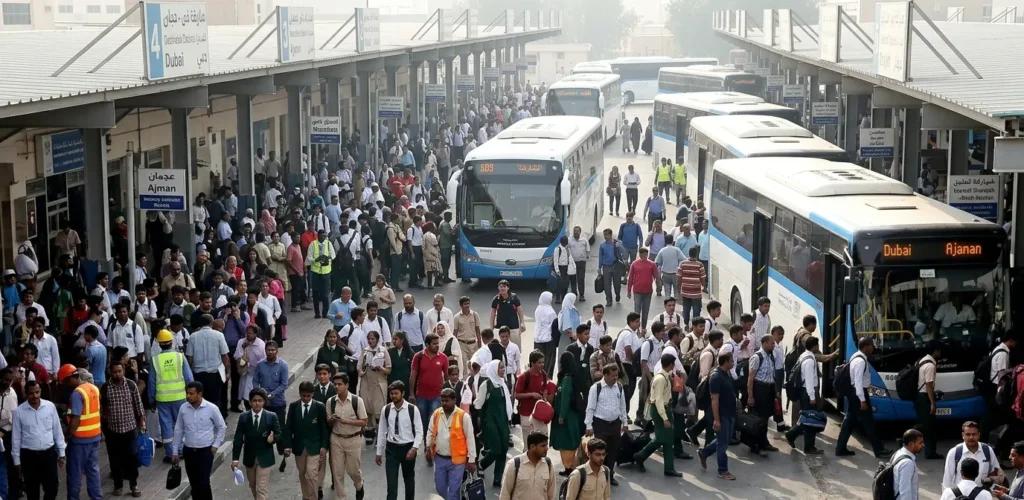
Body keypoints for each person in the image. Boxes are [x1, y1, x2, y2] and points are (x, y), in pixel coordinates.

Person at [836, 336, 892, 458]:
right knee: (869, 423)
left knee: (849, 422)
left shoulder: (855, 356)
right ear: (866, 347)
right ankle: (879, 450)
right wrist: (862, 400)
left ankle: (840, 448)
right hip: (858, 394)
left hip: (854, 393)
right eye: (871, 345)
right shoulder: (861, 361)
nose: (873, 348)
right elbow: (858, 383)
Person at [12, 380, 65, 500]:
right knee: (32, 491)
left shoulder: (50, 407)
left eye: (37, 392)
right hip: (29, 457)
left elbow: (57, 431)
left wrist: (61, 453)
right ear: (26, 394)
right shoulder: (19, 412)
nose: (35, 396)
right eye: (31, 393)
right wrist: (17, 461)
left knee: (52, 488)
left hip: (48, 454)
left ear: (40, 391)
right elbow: (16, 438)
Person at [632, 354, 681, 477]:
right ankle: (639, 456)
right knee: (661, 438)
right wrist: (664, 418)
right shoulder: (660, 379)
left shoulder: (666, 376)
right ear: (670, 365)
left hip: (665, 409)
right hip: (660, 410)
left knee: (668, 439)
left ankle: (669, 468)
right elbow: (658, 400)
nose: (674, 366)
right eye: (673, 364)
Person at [149, 329, 194, 461]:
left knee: (166, 425)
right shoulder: (180, 356)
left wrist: (151, 399)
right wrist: (191, 394)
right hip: (180, 397)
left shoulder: (155, 360)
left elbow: (152, 382)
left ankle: (170, 454)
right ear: (171, 342)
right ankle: (182, 449)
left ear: (159, 344)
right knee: (181, 423)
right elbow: (189, 378)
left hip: (162, 398)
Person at [59, 364, 103, 500]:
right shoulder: (94, 388)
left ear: (71, 378)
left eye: (66, 382)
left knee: (75, 473)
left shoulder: (77, 393)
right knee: (93, 471)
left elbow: (75, 418)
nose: (66, 385)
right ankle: (96, 497)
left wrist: (67, 436)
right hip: (95, 436)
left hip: (80, 440)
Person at [426, 388, 477, 500]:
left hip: (457, 462)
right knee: (439, 488)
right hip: (439, 459)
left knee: (454, 491)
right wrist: (427, 447)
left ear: (454, 400)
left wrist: (471, 459)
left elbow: (470, 438)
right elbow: (430, 432)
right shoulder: (436, 414)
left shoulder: (463, 416)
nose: (444, 403)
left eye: (447, 400)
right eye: (442, 401)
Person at [375, 381, 423, 500]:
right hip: (392, 449)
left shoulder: (412, 409)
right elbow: (381, 431)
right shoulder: (386, 410)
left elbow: (419, 431)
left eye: (396, 393)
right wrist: (379, 452)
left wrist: (414, 448)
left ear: (403, 393)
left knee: (409, 481)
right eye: (392, 394)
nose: (393, 396)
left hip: (408, 448)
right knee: (391, 485)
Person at [231, 388, 282, 500]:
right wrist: (235, 459)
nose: (257, 403)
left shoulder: (271, 416)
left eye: (260, 400)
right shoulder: (244, 417)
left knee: (261, 488)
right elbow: (238, 439)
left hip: (265, 458)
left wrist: (272, 440)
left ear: (264, 402)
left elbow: (278, 434)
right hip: (250, 458)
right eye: (254, 400)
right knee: (253, 486)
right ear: (250, 402)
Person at [584, 363, 627, 487]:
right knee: (600, 453)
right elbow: (590, 408)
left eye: (616, 375)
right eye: (613, 376)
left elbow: (622, 406)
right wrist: (589, 426)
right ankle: (597, 477)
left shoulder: (619, 387)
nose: (615, 378)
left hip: (615, 425)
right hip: (600, 425)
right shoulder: (596, 388)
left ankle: (609, 475)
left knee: (613, 451)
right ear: (605, 375)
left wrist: (624, 423)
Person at [285, 381, 330, 500]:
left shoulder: (319, 406)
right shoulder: (294, 406)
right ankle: (306, 496)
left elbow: (324, 428)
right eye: (303, 396)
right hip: (299, 447)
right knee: (302, 474)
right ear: (300, 394)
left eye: (308, 396)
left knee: (311, 474)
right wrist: (287, 445)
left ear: (312, 394)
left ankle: (313, 497)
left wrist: (324, 446)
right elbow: (288, 427)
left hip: (315, 446)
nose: (305, 398)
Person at [698, 351, 737, 480]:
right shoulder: (716, 377)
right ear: (725, 362)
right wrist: (717, 420)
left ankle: (704, 453)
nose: (733, 363)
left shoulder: (726, 374)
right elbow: (715, 399)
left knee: (724, 439)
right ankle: (723, 470)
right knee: (723, 444)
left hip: (729, 413)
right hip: (721, 414)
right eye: (731, 361)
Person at [253, 341, 290, 471]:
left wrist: (271, 395)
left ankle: (282, 449)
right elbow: (255, 381)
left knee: (279, 427)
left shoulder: (283, 365)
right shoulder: (259, 365)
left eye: (273, 350)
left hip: (278, 403)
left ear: (277, 351)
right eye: (268, 350)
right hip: (264, 404)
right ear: (265, 351)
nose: (271, 352)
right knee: (263, 428)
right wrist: (259, 395)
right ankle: (265, 451)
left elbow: (284, 384)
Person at [475, 359, 513, 488]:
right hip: (491, 422)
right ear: (493, 369)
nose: (503, 370)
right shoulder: (487, 385)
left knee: (503, 450)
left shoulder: (503, 384)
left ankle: (498, 478)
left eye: (503, 368)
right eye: (500, 368)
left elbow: (507, 404)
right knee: (496, 450)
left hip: (503, 421)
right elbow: (478, 404)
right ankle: (482, 464)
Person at [784, 336, 824, 455]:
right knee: (810, 420)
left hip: (805, 392)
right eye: (817, 345)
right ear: (815, 346)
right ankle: (807, 445)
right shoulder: (810, 361)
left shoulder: (803, 355)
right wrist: (812, 397)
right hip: (807, 392)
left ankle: (793, 436)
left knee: (806, 419)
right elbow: (809, 381)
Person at [186, 314, 230, 416]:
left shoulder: (193, 336)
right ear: (212, 323)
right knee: (215, 400)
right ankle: (216, 421)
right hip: (215, 374)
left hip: (198, 375)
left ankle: (201, 421)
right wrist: (228, 372)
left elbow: (190, 358)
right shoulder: (219, 335)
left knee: (200, 401)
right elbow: (225, 356)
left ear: (201, 323)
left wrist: (189, 375)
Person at [744, 334, 779, 456]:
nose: (773, 345)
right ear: (764, 344)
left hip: (769, 389)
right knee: (758, 419)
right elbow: (750, 378)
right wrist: (750, 396)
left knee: (765, 418)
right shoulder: (757, 357)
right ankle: (755, 445)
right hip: (760, 390)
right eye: (771, 343)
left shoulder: (771, 356)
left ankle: (764, 442)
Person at [497, 432, 556, 500]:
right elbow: (505, 493)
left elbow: (551, 494)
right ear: (532, 447)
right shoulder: (514, 464)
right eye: (543, 446)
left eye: (546, 445)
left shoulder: (548, 465)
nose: (546, 448)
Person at [942, 421, 1000, 490]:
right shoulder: (954, 453)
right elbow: (947, 480)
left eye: (974, 434)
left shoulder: (988, 450)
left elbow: (996, 473)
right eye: (968, 434)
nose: (971, 437)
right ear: (963, 435)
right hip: (961, 495)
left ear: (979, 435)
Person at [551, 351, 583, 475]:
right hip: (573, 415)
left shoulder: (567, 379)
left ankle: (569, 467)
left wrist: (561, 416)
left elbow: (565, 398)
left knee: (567, 442)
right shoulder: (573, 376)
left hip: (567, 416)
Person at [410, 333, 449, 432]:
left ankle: (433, 445)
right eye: (434, 344)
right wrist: (411, 394)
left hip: (437, 396)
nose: (437, 346)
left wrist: (448, 393)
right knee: (423, 423)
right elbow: (413, 376)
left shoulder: (443, 358)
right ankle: (426, 444)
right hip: (421, 396)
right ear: (427, 345)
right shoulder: (418, 357)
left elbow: (447, 376)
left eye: (438, 343)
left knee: (434, 423)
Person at [913, 340, 943, 459]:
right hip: (924, 397)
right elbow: (929, 386)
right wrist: (932, 403)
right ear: (935, 351)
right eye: (939, 351)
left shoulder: (922, 360)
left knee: (925, 424)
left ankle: (929, 451)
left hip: (919, 397)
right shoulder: (930, 365)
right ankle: (930, 452)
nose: (940, 354)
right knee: (929, 426)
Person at [515, 351, 551, 442]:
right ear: (532, 363)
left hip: (539, 414)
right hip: (526, 414)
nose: (542, 364)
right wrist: (531, 395)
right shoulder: (524, 377)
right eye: (539, 362)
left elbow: (545, 389)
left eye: (543, 362)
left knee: (541, 443)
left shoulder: (543, 374)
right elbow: (516, 395)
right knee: (529, 445)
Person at [235, 326, 267, 411]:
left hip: (255, 374)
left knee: (251, 394)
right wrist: (242, 360)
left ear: (256, 334)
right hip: (244, 373)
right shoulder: (241, 342)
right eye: (247, 333)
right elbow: (237, 355)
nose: (247, 335)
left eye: (250, 333)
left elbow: (264, 360)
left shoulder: (261, 345)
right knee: (244, 396)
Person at [306, 230, 336, 319]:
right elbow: (309, 257)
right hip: (315, 272)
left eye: (325, 236)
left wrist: (328, 258)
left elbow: (333, 255)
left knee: (325, 294)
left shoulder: (328, 243)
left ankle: (325, 312)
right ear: (318, 236)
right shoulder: (313, 244)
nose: (324, 238)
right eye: (322, 236)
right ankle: (317, 313)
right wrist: (316, 259)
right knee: (315, 293)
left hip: (326, 272)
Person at [890, 429, 924, 500]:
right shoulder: (907, 463)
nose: (923, 445)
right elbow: (905, 491)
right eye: (920, 443)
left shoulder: (898, 453)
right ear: (911, 445)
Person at [490, 280, 526, 345]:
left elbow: (520, 311)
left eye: (504, 286)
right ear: (498, 288)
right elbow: (492, 314)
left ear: (508, 288)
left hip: (513, 327)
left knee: (515, 347)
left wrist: (522, 323)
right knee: (500, 348)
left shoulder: (514, 297)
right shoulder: (496, 299)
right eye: (501, 287)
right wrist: (491, 327)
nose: (502, 288)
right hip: (500, 328)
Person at [676, 247, 706, 324]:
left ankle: (685, 326)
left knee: (686, 310)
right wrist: (703, 288)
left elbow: (679, 278)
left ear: (689, 254)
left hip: (685, 292)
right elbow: (702, 279)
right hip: (696, 293)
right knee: (696, 312)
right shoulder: (700, 265)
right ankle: (695, 327)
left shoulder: (682, 264)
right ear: (697, 254)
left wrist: (679, 290)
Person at [534, 292, 558, 375]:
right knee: (548, 363)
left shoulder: (538, 309)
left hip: (537, 339)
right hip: (548, 339)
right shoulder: (551, 312)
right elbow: (554, 326)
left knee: (538, 362)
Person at [568, 226, 590, 302]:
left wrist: (587, 255)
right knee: (573, 279)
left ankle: (581, 294)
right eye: (574, 231)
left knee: (581, 279)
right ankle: (574, 294)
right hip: (573, 263)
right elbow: (567, 249)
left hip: (581, 262)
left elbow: (588, 248)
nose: (576, 232)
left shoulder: (584, 240)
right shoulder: (570, 240)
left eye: (577, 231)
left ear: (580, 232)